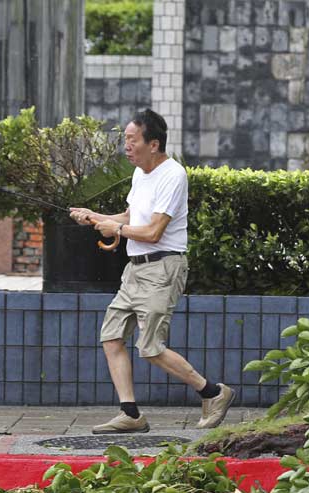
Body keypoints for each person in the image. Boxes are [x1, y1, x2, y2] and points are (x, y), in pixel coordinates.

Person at [69, 109, 234, 433]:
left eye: (132, 140)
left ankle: (213, 393)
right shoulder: (140, 174)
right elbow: (131, 217)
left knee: (150, 347)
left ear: (154, 144)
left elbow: (153, 231)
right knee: (112, 336)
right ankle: (130, 413)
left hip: (163, 269)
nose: (126, 146)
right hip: (135, 270)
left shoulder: (173, 175)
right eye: (126, 140)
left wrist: (113, 227)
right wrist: (94, 216)